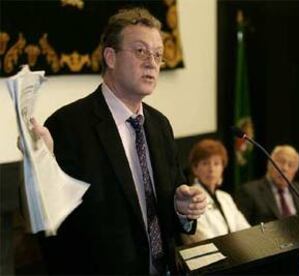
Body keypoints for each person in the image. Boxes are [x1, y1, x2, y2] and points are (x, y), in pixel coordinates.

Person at [27, 7, 207, 275]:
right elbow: (50, 226)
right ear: (110, 57)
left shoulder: (160, 125)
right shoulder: (68, 126)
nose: (151, 62)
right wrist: (39, 165)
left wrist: (181, 209)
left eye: (158, 54)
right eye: (140, 51)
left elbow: (167, 207)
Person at [181, 139, 250, 244]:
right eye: (205, 163)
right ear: (195, 168)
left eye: (216, 163)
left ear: (223, 167)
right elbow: (203, 240)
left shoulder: (225, 197)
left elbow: (246, 230)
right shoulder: (191, 199)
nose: (211, 169)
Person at [236, 145, 299, 226]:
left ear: (295, 171)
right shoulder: (250, 191)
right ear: (269, 163)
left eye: (291, 165)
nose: (285, 168)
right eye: (281, 162)